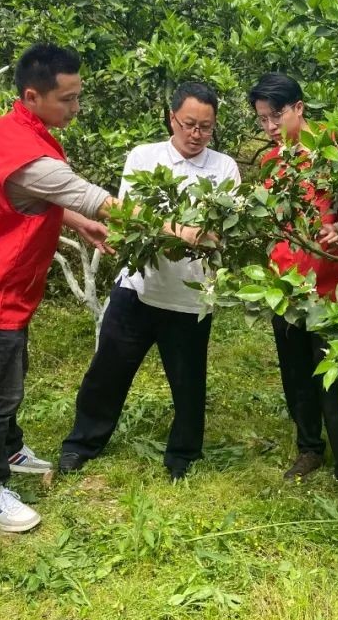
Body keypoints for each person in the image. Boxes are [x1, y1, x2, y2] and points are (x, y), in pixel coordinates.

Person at [0, 43, 204, 532]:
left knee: (11, 372)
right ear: (33, 96)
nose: (76, 107)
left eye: (77, 95)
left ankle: (10, 447)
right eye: (67, 99)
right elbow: (96, 199)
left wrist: (74, 223)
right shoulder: (30, 152)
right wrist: (175, 229)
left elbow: (26, 194)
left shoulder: (8, 130)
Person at [59, 83, 240, 481]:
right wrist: (182, 231)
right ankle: (81, 445)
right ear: (172, 118)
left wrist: (178, 232)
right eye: (189, 124)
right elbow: (130, 218)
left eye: (206, 127)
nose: (196, 134)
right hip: (137, 288)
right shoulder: (144, 157)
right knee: (106, 374)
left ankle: (182, 456)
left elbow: (218, 232)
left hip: (191, 297)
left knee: (188, 384)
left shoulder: (224, 168)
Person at [248, 72, 338, 512]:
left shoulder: (336, 147)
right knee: (296, 376)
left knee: (334, 382)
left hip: (331, 289)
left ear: (299, 107)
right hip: (286, 288)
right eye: (262, 120)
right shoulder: (272, 162)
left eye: (275, 116)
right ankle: (309, 448)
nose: (269, 126)